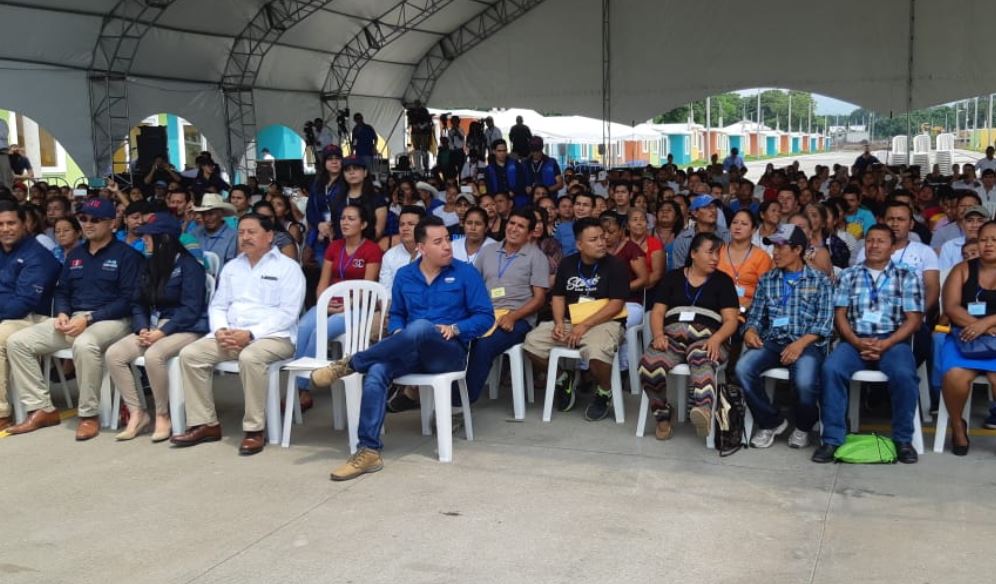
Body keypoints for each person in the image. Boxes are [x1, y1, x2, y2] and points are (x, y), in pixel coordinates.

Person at [309, 216, 494, 480]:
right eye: (438, 242)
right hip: (410, 350)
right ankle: (369, 451)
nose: (447, 247)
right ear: (421, 248)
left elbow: (485, 316)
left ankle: (350, 364)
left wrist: (456, 329)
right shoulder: (405, 275)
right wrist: (397, 332)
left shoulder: (465, 273)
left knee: (419, 326)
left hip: (448, 352)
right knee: (377, 372)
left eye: (448, 240)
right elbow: (396, 314)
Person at [6, 198, 143, 440]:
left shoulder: (127, 255)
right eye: (84, 219)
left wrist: (89, 318)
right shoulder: (76, 253)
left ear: (112, 223)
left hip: (112, 321)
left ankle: (89, 415)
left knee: (84, 343)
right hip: (73, 319)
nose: (88, 224)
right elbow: (62, 291)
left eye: (96, 220)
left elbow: (128, 300)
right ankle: (41, 408)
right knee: (17, 342)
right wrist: (62, 313)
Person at [170, 214, 305, 456]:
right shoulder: (232, 267)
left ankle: (255, 429)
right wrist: (221, 330)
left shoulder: (288, 268)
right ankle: (206, 424)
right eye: (241, 232)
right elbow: (219, 305)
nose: (245, 237)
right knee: (191, 354)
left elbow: (288, 313)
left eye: (251, 232)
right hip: (232, 334)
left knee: (251, 357)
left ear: (269, 236)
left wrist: (251, 334)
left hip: (275, 337)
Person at [813, 224, 924, 464]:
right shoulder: (849, 275)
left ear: (893, 248)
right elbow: (840, 314)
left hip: (893, 341)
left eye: (881, 241)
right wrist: (855, 340)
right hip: (854, 340)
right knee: (831, 369)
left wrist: (887, 343)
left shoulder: (906, 276)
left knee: (905, 374)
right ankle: (832, 439)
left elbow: (914, 319)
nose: (873, 245)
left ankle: (903, 440)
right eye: (870, 240)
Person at [103, 213, 208, 441]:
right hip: (153, 326)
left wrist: (162, 332)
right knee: (115, 354)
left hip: (185, 327)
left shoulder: (190, 266)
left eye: (149, 237)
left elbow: (191, 309)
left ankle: (163, 414)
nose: (145, 241)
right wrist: (142, 328)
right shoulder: (149, 265)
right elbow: (137, 302)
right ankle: (137, 412)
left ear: (165, 239)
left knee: (154, 355)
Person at [736, 225, 832, 449]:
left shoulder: (820, 280)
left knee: (805, 382)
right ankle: (771, 421)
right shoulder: (767, 279)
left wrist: (800, 344)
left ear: (798, 249)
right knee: (742, 369)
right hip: (773, 341)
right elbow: (756, 317)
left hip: (807, 342)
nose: (775, 253)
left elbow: (825, 323)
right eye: (773, 247)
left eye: (781, 247)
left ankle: (803, 426)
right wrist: (750, 331)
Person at [523, 218, 628, 421]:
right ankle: (563, 378)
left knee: (597, 353)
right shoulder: (568, 263)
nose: (601, 243)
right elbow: (558, 296)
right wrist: (559, 322)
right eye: (594, 239)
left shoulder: (616, 265)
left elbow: (616, 304)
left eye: (602, 238)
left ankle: (604, 391)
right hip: (571, 322)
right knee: (532, 344)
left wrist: (585, 325)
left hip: (604, 323)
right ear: (579, 244)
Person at [637, 232, 740, 439]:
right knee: (649, 366)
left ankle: (702, 411)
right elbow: (657, 312)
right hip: (672, 337)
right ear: (693, 253)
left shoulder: (723, 281)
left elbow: (731, 320)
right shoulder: (673, 277)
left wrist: (716, 339)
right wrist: (658, 334)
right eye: (709, 253)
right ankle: (662, 414)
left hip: (708, 338)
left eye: (717, 254)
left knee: (701, 357)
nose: (715, 259)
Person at [293, 204, 381, 399]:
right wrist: (324, 303)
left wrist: (345, 305)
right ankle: (298, 382)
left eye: (351, 218)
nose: (345, 222)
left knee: (320, 331)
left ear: (364, 224)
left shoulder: (372, 250)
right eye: (342, 218)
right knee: (304, 327)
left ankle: (301, 388)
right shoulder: (334, 247)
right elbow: (322, 283)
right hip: (330, 302)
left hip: (358, 305)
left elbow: (368, 287)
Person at [0, 201, 62, 432]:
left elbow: (22, 305)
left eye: (10, 223)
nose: (5, 229)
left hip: (34, 318)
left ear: (24, 224)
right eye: (0, 224)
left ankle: (2, 413)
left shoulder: (37, 255)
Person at [938, 221, 996, 455]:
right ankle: (957, 424)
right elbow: (951, 307)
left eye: (994, 240)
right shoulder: (962, 269)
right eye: (984, 240)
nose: (989, 244)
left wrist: (987, 322)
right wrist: (979, 326)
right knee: (955, 377)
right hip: (964, 336)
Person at [718, 210, 773, 313]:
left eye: (744, 224)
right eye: (734, 222)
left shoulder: (762, 257)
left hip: (749, 310)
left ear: (753, 230)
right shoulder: (718, 251)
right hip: (718, 306)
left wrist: (742, 309)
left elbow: (764, 294)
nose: (738, 227)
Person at [305, 144, 345, 264]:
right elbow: (310, 209)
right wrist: (319, 224)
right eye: (330, 159)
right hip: (320, 235)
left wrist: (332, 226)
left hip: (340, 234)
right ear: (324, 163)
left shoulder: (347, 183)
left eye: (337, 158)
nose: (334, 162)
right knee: (321, 271)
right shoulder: (318, 184)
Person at [332, 157, 388, 241]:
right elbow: (335, 227)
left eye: (356, 168)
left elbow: (378, 231)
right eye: (347, 170)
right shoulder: (337, 199)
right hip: (342, 248)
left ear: (365, 173)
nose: (351, 172)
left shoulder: (377, 199)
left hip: (368, 247)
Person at [672, 194, 730, 268]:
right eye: (706, 207)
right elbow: (679, 271)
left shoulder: (728, 236)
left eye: (714, 206)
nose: (713, 210)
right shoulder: (683, 239)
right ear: (695, 213)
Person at [379, 205, 424, 292]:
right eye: (401, 224)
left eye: (411, 224)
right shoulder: (389, 256)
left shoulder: (432, 253)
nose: (405, 228)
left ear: (423, 227)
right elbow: (385, 292)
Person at [191, 193, 238, 266]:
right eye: (204, 214)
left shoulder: (233, 236)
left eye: (211, 214)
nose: (206, 218)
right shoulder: (195, 233)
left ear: (221, 214)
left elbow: (231, 267)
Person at [939, 204, 988, 270]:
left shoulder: (993, 245)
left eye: (980, 221)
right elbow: (943, 276)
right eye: (969, 221)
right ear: (962, 225)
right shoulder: (949, 246)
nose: (974, 225)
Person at [627, 207, 665, 293]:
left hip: (649, 289)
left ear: (647, 224)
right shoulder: (622, 243)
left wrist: (635, 287)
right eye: (635, 220)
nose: (639, 223)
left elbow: (657, 274)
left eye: (642, 220)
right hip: (623, 288)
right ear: (628, 226)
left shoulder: (655, 243)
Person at [787, 212, 833, 278]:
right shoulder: (781, 251)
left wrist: (805, 260)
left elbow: (825, 277)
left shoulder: (819, 252)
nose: (796, 231)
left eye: (801, 227)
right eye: (792, 227)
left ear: (810, 233)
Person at [484, 139, 526, 207]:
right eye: (499, 151)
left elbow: (522, 182)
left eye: (504, 150)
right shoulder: (488, 169)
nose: (502, 153)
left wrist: (513, 192)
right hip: (498, 201)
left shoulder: (516, 165)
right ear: (494, 151)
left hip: (516, 199)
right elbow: (489, 189)